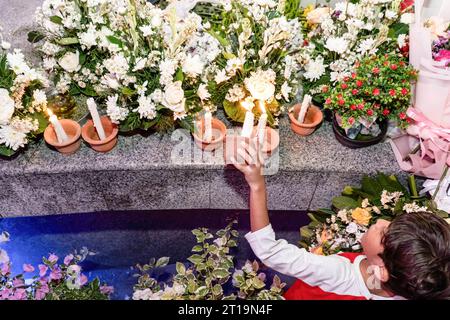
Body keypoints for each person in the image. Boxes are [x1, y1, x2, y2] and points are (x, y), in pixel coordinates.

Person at [230, 138, 450, 300]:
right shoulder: (414, 282)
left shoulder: (338, 276)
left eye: (384, 234)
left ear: (383, 269)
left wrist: (257, 184)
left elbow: (271, 251)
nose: (381, 222)